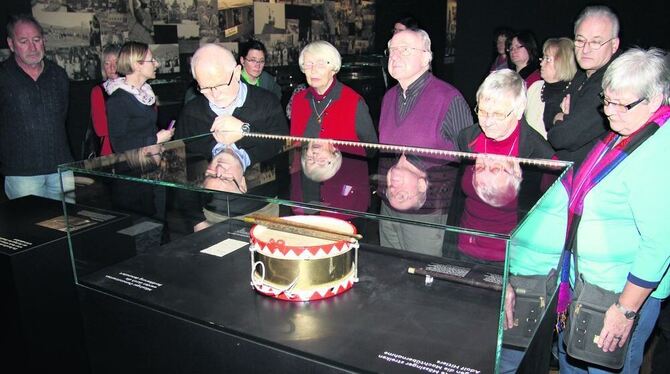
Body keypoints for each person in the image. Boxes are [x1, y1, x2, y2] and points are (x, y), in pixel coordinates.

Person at [556, 47, 670, 374]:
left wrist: (625, 310)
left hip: (618, 296)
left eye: (623, 104)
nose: (610, 112)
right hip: (591, 287)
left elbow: (659, 242)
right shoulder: (629, 133)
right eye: (607, 100)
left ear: (656, 98)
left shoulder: (658, 151)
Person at [377, 28, 472, 254]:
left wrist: (419, 166)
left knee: (423, 279)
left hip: (427, 212)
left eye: (405, 50)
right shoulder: (389, 97)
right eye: (392, 50)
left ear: (426, 57)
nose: (395, 55)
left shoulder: (448, 98)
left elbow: (468, 157)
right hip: (388, 206)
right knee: (389, 270)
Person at [454, 69, 554, 262]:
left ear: (518, 110)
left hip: (509, 255)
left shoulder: (537, 151)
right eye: (482, 111)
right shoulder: (467, 138)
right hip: (465, 247)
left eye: (498, 114)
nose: (488, 121)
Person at [0, 14, 74, 201]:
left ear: (44, 41)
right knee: (29, 229)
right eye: (23, 41)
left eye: (37, 40)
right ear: (11, 44)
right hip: (21, 174)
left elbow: (62, 116)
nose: (32, 47)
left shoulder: (58, 75)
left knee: (68, 227)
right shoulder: (3, 76)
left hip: (61, 169)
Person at [175, 43, 287, 165]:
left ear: (237, 72)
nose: (215, 94)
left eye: (221, 85)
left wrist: (245, 131)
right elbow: (181, 157)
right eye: (205, 88)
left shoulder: (267, 102)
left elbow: (281, 144)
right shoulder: (191, 113)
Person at [547, 6, 620, 169]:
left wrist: (560, 119)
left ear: (614, 45)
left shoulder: (613, 82)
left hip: (590, 181)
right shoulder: (582, 73)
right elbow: (549, 108)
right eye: (580, 40)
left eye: (596, 42)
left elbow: (562, 138)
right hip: (567, 173)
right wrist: (560, 117)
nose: (585, 49)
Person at [290, 40, 378, 156]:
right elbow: (295, 147)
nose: (313, 70)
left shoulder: (353, 102)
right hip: (306, 172)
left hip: (344, 172)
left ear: (333, 68)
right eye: (308, 64)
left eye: (320, 64)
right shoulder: (298, 100)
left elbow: (371, 148)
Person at [106, 41, 173, 153]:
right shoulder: (118, 100)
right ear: (137, 65)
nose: (156, 64)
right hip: (134, 165)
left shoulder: (145, 93)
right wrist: (156, 139)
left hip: (150, 159)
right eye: (151, 60)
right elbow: (118, 145)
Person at [525, 38, 577, 139]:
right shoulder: (535, 88)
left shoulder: (573, 93)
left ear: (563, 62)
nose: (541, 63)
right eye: (543, 58)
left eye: (548, 59)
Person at [90, 44, 121, 156]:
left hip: (136, 149)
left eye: (116, 62)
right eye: (107, 64)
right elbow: (101, 129)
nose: (112, 67)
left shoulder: (135, 87)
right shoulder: (98, 91)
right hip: (110, 152)